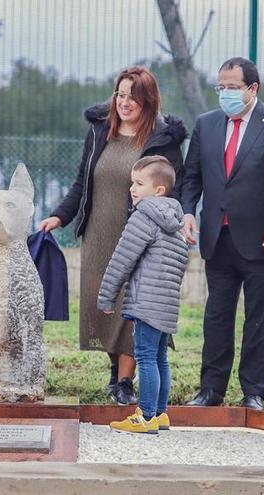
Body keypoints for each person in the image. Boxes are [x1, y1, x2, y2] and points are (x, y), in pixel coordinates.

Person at [38, 67, 187, 405]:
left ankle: (125, 381)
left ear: (147, 101)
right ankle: (114, 371)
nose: (124, 102)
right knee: (102, 304)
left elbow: (174, 186)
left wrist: (179, 221)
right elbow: (81, 181)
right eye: (120, 94)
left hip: (140, 235)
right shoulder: (99, 131)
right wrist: (60, 216)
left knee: (132, 305)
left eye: (132, 96)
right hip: (98, 233)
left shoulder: (162, 138)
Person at [180, 57, 264, 411]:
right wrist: (188, 212)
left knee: (261, 320)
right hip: (217, 239)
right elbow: (192, 177)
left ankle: (253, 392)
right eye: (220, 87)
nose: (225, 93)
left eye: (232, 87)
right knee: (216, 316)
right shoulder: (206, 124)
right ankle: (210, 389)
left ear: (253, 89)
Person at [98, 156, 189, 433]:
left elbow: (122, 259)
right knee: (160, 357)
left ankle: (146, 416)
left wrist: (106, 296)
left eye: (139, 183)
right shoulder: (175, 224)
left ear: (158, 190)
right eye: (131, 183)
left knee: (147, 357)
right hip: (166, 304)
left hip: (146, 303)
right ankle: (161, 414)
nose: (132, 189)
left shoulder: (144, 217)